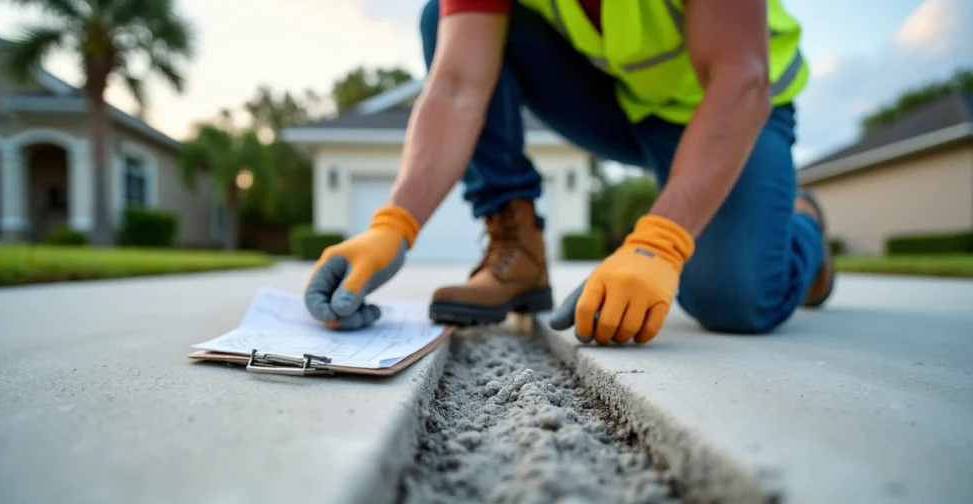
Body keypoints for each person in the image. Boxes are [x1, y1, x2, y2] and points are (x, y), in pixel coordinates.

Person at [303, 0, 835, 345]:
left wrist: (660, 242)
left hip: (735, 106)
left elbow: (739, 74)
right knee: (440, 17)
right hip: (628, 106)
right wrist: (392, 225)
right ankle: (520, 255)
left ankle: (803, 223)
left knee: (733, 300)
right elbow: (458, 86)